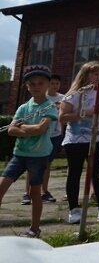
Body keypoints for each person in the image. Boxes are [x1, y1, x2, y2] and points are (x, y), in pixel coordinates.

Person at [0, 65, 59, 238]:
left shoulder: (50, 107)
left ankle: (34, 228)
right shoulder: (23, 108)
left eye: (40, 83)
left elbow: (41, 129)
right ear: (27, 86)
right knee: (2, 185)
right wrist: (27, 128)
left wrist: (21, 128)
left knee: (35, 193)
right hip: (20, 154)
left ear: (47, 85)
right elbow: (11, 130)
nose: (36, 87)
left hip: (39, 156)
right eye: (32, 84)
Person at [59, 61, 99, 225]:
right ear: (86, 75)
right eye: (96, 74)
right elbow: (62, 117)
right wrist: (83, 113)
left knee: (98, 173)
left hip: (97, 138)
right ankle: (74, 209)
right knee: (75, 173)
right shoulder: (73, 94)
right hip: (75, 140)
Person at [21, 73, 63, 206]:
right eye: (52, 83)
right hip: (40, 135)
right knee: (32, 164)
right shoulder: (40, 99)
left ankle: (44, 191)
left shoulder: (63, 98)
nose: (55, 86)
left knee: (47, 165)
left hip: (55, 135)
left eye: (57, 84)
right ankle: (27, 192)